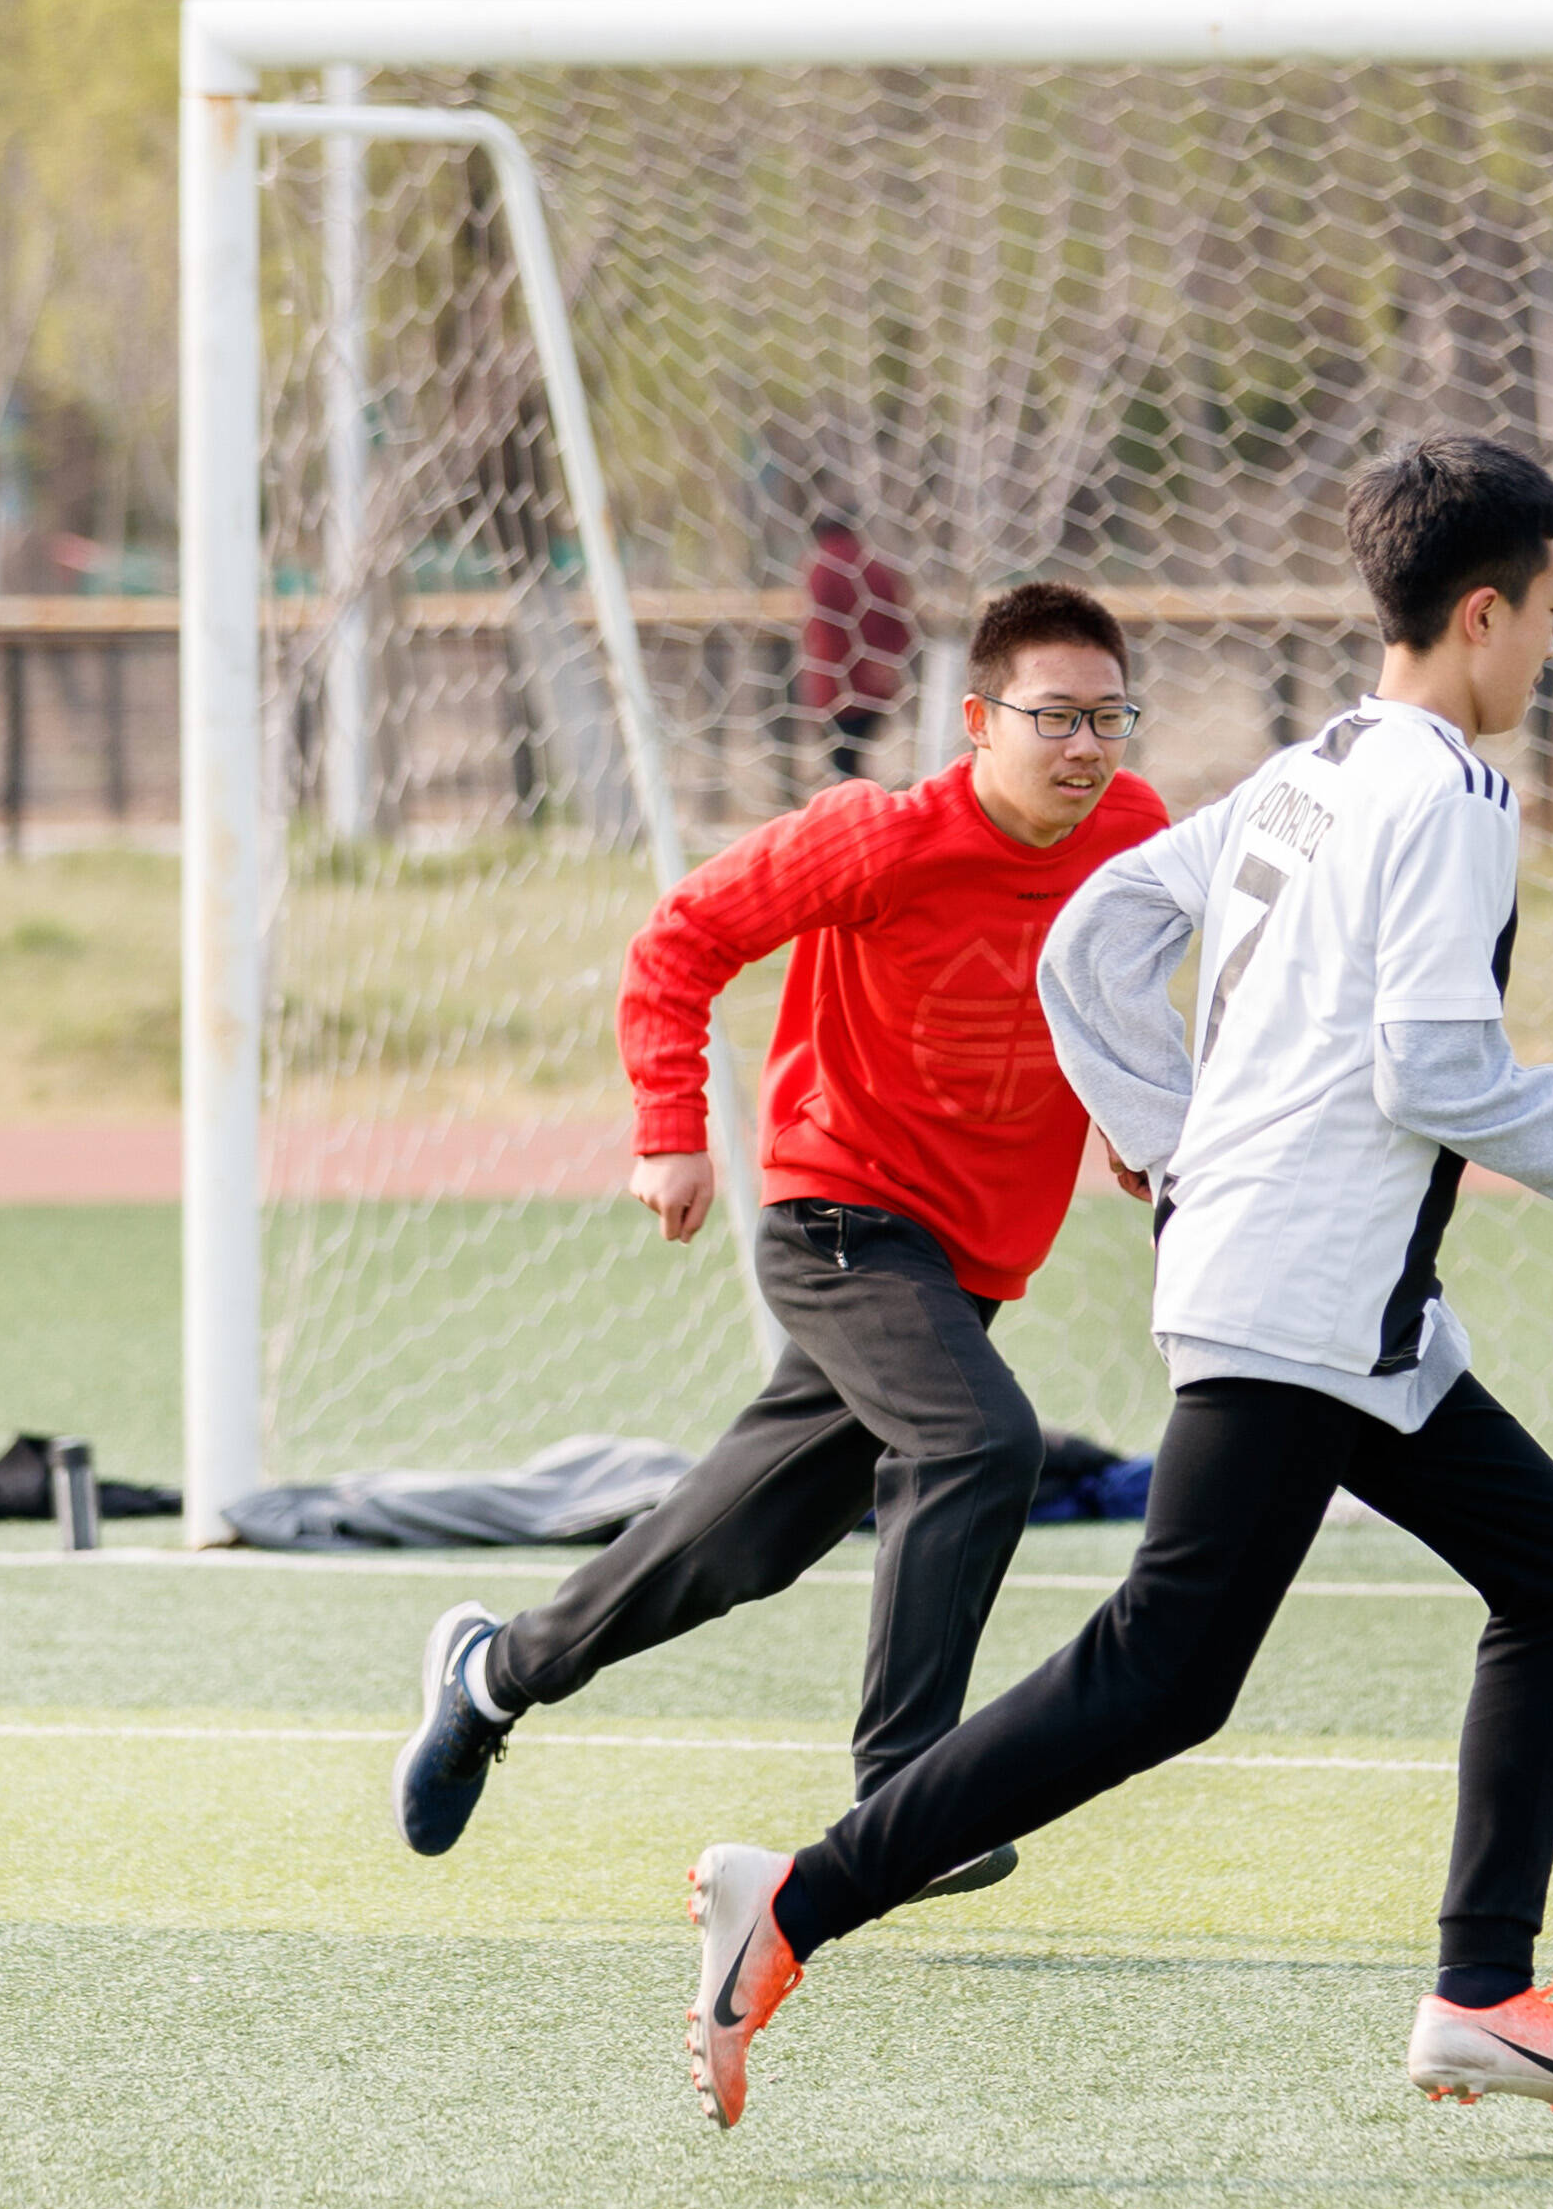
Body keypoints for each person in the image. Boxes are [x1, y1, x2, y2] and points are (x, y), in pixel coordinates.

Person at [677, 436, 1553, 2131]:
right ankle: (797, 1896)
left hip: (1330, 1298)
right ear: (1482, 613)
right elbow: (1435, 1067)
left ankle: (1480, 1990)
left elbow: (1090, 933)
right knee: (1160, 1668)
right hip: (1302, 1292)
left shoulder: (1313, 765)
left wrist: (1175, 1141)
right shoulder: (1450, 796)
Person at [389, 583, 1170, 1882]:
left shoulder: (1136, 834)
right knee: (981, 1441)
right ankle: (906, 1799)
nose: (1083, 745)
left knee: (736, 1546)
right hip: (840, 1219)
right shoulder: (876, 838)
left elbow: (1115, 987)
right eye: (1053, 715)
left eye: (1108, 715)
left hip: (963, 1263)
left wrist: (1134, 1121)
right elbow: (680, 939)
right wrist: (668, 1126)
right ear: (979, 719)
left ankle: (493, 1674)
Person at [801, 515, 917, 782]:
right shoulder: (872, 564)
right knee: (851, 760)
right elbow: (899, 620)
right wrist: (886, 661)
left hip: (837, 687)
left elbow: (823, 632)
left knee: (843, 764)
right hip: (875, 684)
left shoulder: (822, 565)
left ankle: (855, 804)